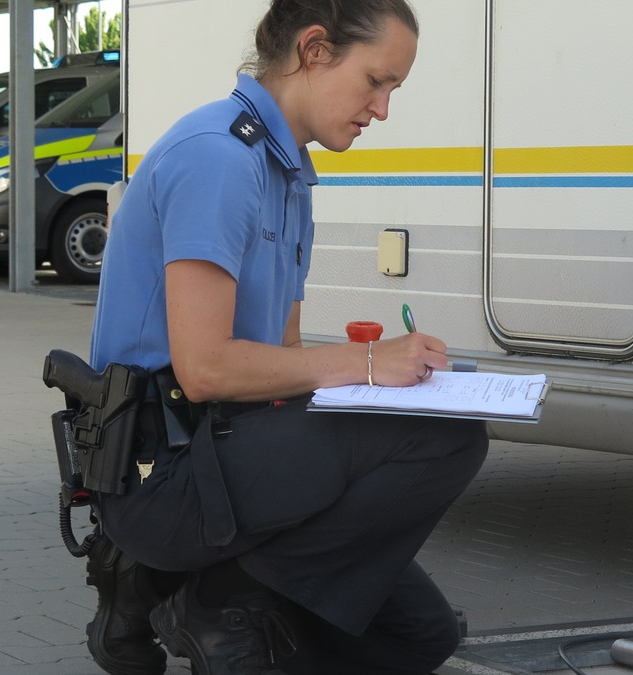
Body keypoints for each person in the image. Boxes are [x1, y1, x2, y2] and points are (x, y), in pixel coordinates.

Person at [83, 1, 489, 674]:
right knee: (448, 439)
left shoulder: (289, 172)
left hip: (229, 446)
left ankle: (179, 588)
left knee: (421, 637)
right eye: (376, 81)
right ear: (314, 50)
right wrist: (365, 361)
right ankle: (216, 601)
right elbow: (207, 367)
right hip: (166, 468)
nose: (382, 109)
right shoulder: (218, 159)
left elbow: (285, 354)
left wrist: (381, 382)